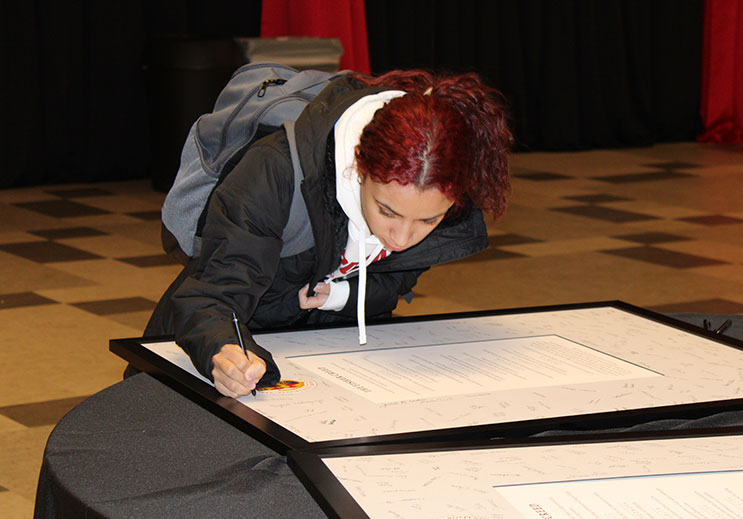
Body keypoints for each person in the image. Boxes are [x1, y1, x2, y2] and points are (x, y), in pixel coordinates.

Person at [139, 69, 513, 398]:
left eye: (428, 222)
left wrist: (338, 296)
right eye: (387, 211)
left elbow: (396, 281)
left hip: (330, 350)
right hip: (232, 341)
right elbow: (211, 296)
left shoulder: (438, 183)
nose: (401, 238)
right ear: (358, 168)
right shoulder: (274, 173)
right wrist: (222, 351)